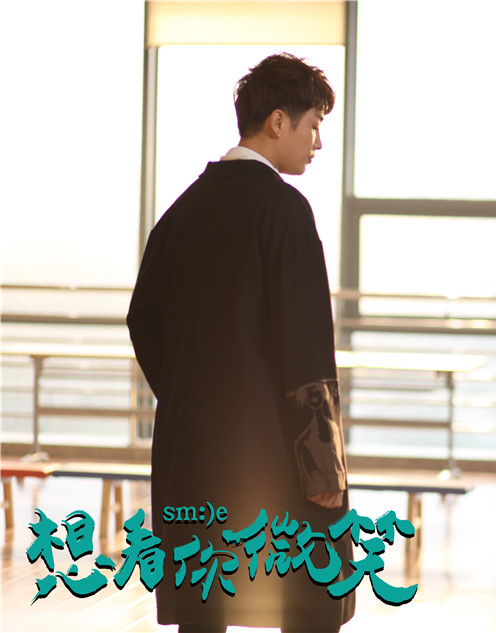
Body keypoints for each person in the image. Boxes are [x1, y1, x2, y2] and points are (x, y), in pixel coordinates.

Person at [127, 53, 354, 633]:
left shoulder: (180, 213)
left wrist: (191, 398)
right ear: (278, 122)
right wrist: (324, 470)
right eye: (313, 126)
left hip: (192, 453)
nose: (318, 143)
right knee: (307, 603)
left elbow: (143, 319)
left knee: (206, 604)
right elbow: (306, 345)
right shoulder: (285, 211)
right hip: (277, 453)